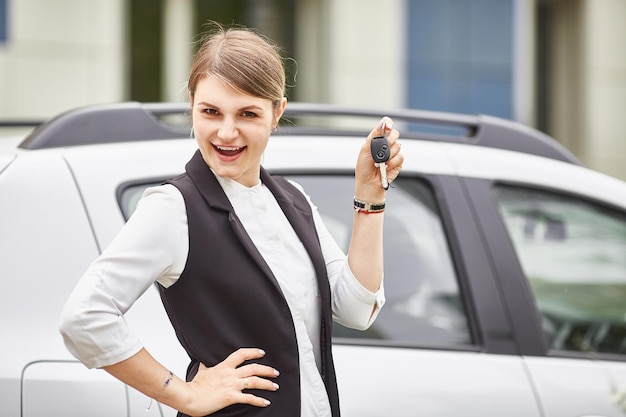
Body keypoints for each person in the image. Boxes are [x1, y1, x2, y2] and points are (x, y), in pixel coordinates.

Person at [59, 23, 403, 417]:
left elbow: (355, 310)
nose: (226, 132)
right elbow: (83, 317)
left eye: (247, 113)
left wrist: (370, 199)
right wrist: (183, 394)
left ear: (277, 113)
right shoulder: (173, 208)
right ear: (192, 105)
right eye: (210, 111)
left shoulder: (292, 200)